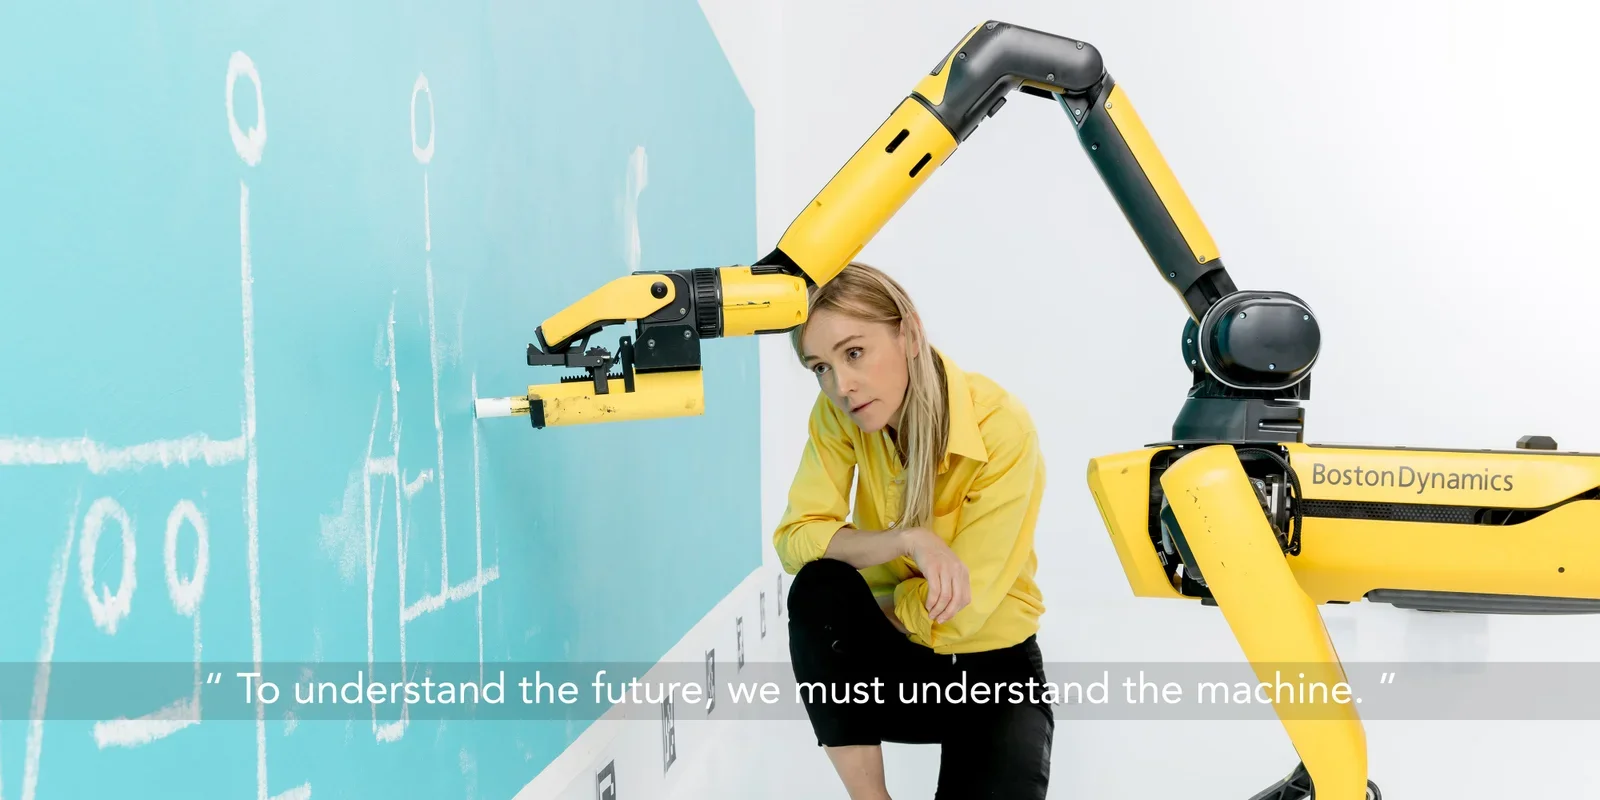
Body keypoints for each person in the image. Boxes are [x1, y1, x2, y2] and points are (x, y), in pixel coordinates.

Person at [772, 261, 1053, 799]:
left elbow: (963, 616)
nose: (841, 385)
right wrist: (907, 541)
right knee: (820, 588)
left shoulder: (1001, 427)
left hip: (992, 678)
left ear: (909, 332)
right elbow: (796, 539)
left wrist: (882, 607)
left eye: (854, 353)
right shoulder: (838, 415)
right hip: (896, 669)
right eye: (820, 368)